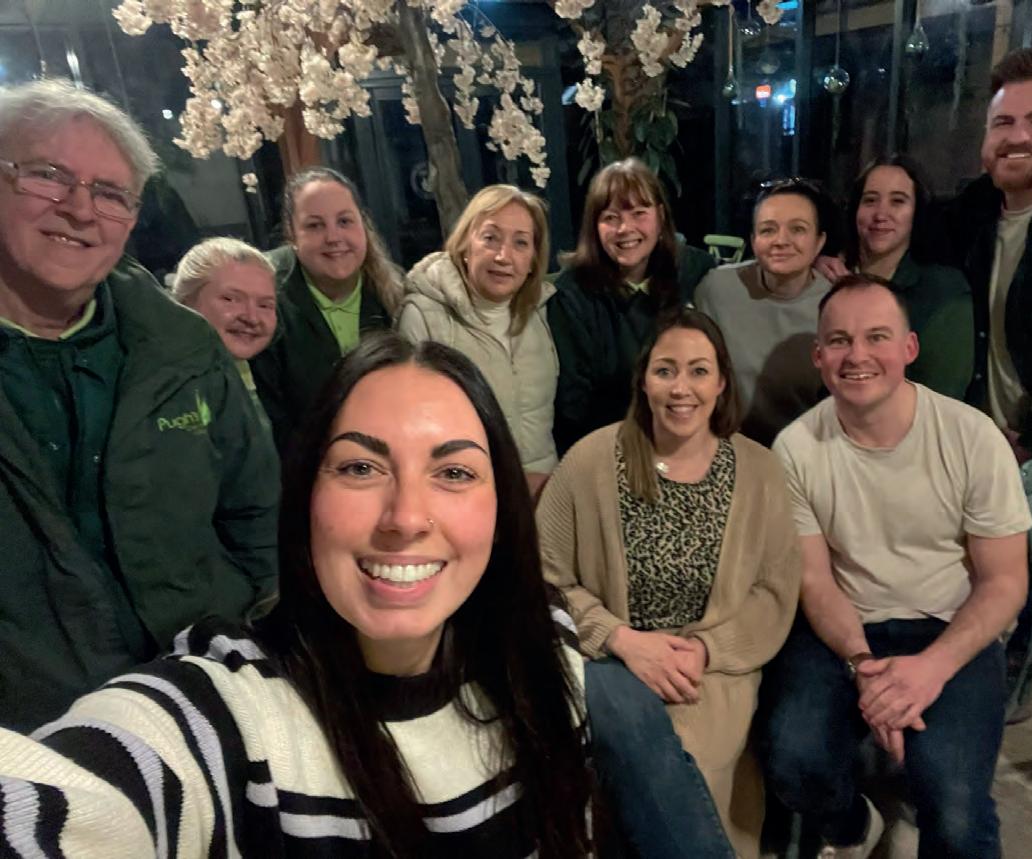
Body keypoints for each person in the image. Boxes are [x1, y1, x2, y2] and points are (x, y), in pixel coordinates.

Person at [0, 333, 592, 857]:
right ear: (306, 496)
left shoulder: (545, 646)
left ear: (503, 508)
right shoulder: (228, 717)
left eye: (454, 473)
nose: (406, 518)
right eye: (360, 468)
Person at [0, 79, 278, 732]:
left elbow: (257, 509)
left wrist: (258, 633)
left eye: (110, 193)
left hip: (206, 696)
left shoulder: (184, 347)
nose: (80, 208)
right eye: (48, 175)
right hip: (33, 738)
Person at [761, 274, 1031, 858]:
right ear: (818, 356)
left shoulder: (971, 436)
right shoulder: (796, 449)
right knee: (793, 761)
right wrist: (863, 667)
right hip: (844, 627)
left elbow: (1006, 581)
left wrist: (930, 669)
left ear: (909, 348)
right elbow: (815, 579)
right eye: (839, 340)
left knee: (955, 813)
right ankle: (856, 830)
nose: (857, 355)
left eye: (877, 337)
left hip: (949, 626)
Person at [538, 308, 801, 858]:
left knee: (689, 767)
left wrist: (705, 650)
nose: (682, 388)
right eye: (666, 370)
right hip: (608, 662)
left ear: (722, 382)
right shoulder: (591, 461)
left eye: (699, 371)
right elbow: (543, 577)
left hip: (710, 672)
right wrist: (619, 638)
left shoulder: (759, 471)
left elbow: (774, 592)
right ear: (643, 380)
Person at [939, 47, 1032, 664]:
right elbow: (900, 235)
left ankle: (1022, 673)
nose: (1017, 136)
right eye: (1003, 122)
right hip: (986, 435)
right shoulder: (978, 209)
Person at [549, 158, 716, 455]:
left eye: (639, 213)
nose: (625, 228)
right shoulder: (572, 295)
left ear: (660, 216)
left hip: (691, 440)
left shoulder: (695, 271)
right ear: (594, 226)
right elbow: (574, 404)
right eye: (610, 217)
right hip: (609, 448)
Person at [398, 185, 558, 495]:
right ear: (465, 245)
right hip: (465, 496)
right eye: (490, 238)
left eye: (521, 242)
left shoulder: (541, 311)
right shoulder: (424, 315)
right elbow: (411, 432)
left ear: (533, 260)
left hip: (542, 495)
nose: (503, 256)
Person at [251, 166, 403, 455]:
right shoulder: (264, 298)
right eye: (315, 225)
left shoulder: (394, 296)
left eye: (344, 221)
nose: (333, 237)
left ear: (363, 225)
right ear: (292, 235)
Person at [825, 155, 974, 401]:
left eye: (897, 201)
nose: (881, 214)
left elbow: (940, 398)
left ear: (917, 213)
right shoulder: (829, 278)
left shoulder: (944, 291)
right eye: (870, 200)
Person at [695, 178, 832, 446]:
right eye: (768, 230)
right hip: (727, 448)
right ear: (753, 240)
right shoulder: (717, 289)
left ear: (819, 242)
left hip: (808, 451)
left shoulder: (835, 305)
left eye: (798, 229)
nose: (781, 241)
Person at [172, 236, 278, 416]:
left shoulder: (259, 374)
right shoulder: (164, 386)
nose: (252, 318)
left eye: (264, 305)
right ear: (184, 302)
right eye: (230, 299)